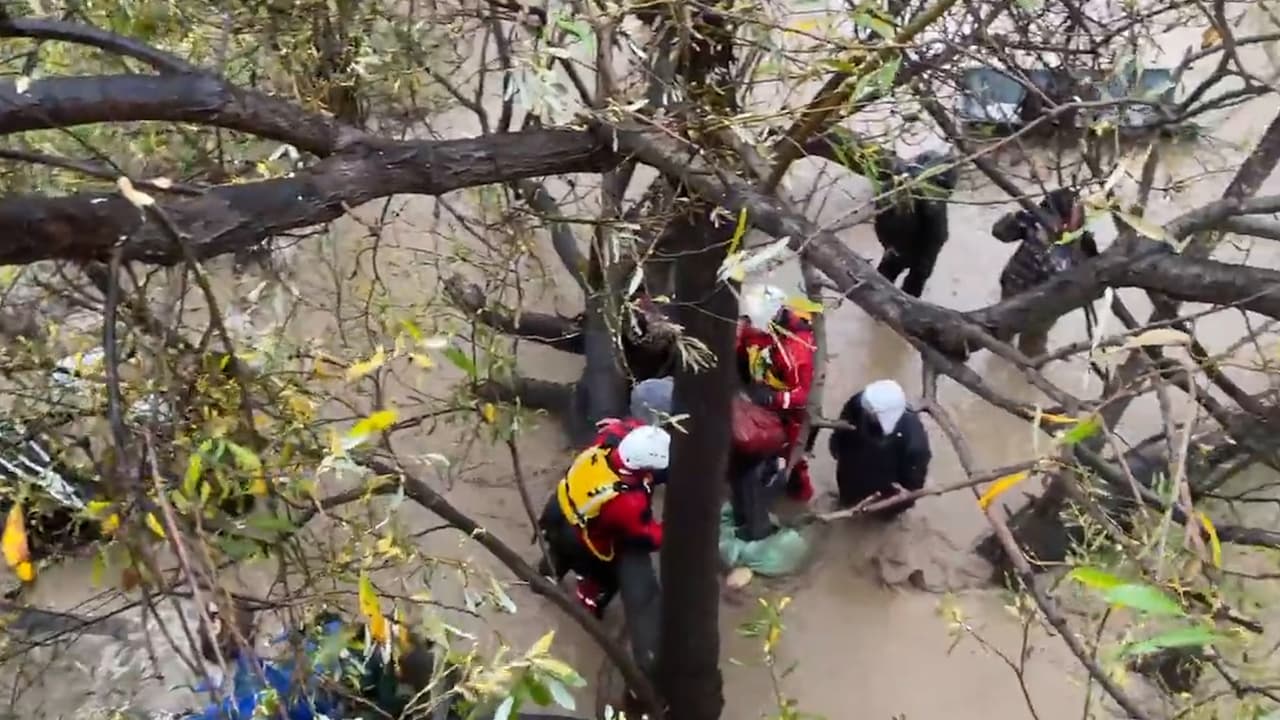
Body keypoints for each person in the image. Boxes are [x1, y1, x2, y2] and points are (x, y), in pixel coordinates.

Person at [537, 418, 668, 618]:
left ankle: (544, 576)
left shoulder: (607, 440)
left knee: (557, 554)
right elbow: (648, 536)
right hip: (582, 541)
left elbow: (625, 428)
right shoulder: (628, 502)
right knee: (607, 577)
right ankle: (589, 600)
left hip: (558, 511)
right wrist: (672, 528)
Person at [991, 187, 1099, 356]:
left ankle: (1031, 365)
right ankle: (1000, 351)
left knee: (1033, 343)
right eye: (1067, 217)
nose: (1069, 224)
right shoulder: (1033, 224)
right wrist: (1013, 219)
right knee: (1002, 331)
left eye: (1077, 216)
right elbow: (1000, 233)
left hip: (1046, 303)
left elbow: (1092, 276)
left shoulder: (1082, 244)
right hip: (1014, 287)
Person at [736, 284, 816, 502]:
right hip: (760, 391)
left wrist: (773, 398)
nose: (746, 323)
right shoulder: (758, 328)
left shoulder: (796, 352)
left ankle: (798, 496)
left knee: (794, 459)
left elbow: (805, 395)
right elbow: (741, 343)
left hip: (790, 412)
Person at [826, 379, 931, 520]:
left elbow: (913, 484)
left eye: (870, 410)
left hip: (884, 488)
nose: (865, 408)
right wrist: (835, 446)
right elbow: (842, 426)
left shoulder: (914, 440)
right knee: (846, 503)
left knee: (880, 519)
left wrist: (901, 504)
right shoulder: (861, 402)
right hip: (850, 471)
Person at [873, 149, 960, 298]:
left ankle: (877, 302)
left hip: (896, 245)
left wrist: (888, 246)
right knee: (913, 283)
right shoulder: (933, 202)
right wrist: (925, 265)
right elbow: (939, 235)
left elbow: (879, 222)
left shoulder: (890, 189)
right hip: (915, 248)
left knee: (884, 277)